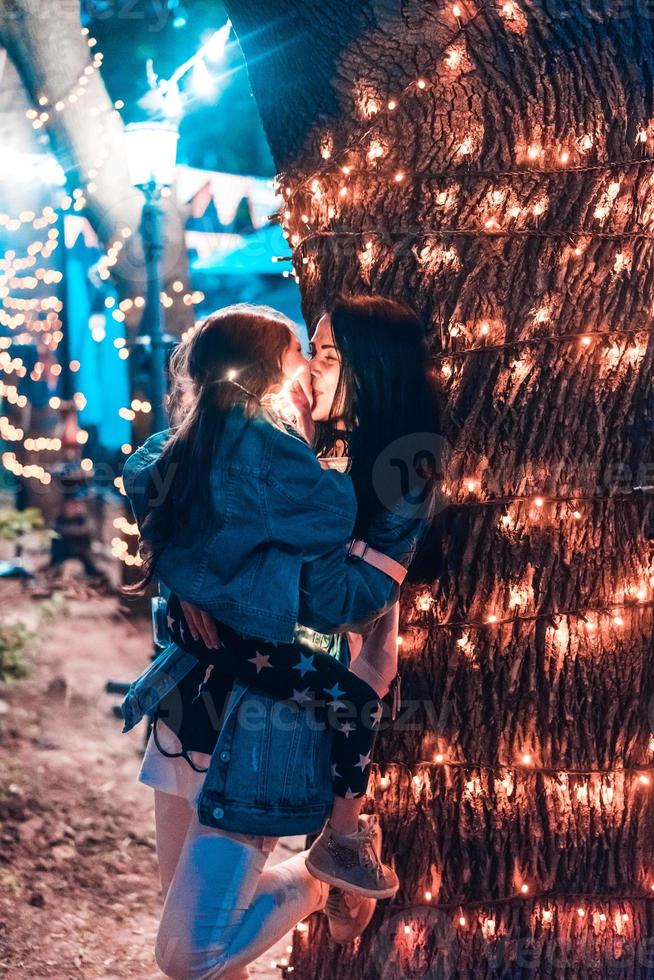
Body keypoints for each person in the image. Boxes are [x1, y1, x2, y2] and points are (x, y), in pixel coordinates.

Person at [121, 297, 442, 975]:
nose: (310, 370)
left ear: (372, 368)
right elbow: (181, 490)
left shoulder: (396, 476)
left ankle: (324, 869)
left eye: (328, 355)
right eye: (308, 351)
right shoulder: (289, 434)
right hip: (192, 701)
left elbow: (343, 604)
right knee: (199, 936)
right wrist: (192, 581)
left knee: (190, 954)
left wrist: (224, 581)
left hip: (265, 723)